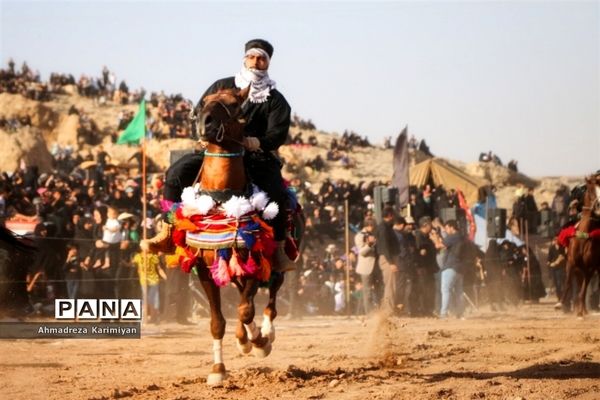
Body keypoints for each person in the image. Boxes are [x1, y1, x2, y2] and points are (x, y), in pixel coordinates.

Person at [142, 39, 293, 272]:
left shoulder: (276, 99)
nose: (256, 61)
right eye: (252, 57)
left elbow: (278, 133)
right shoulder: (221, 85)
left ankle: (280, 248)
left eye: (261, 58)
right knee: (174, 174)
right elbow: (199, 114)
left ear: (268, 62)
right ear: (245, 59)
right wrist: (200, 135)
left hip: (255, 156)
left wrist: (257, 142)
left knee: (276, 192)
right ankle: (167, 232)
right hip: (215, 152)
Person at [375, 206, 400, 315]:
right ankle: (388, 310)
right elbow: (385, 247)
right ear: (390, 215)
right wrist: (391, 263)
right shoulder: (383, 228)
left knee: (391, 285)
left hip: (389, 257)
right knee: (390, 285)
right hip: (387, 259)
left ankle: (388, 309)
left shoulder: (386, 227)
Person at [438, 220, 465, 319]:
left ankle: (443, 313)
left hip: (450, 266)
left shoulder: (453, 237)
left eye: (447, 228)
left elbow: (439, 245)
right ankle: (460, 313)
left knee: (445, 290)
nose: (446, 230)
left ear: (451, 227)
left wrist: (434, 238)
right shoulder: (461, 236)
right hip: (460, 268)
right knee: (459, 292)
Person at [354, 217, 377, 314]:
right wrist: (370, 244)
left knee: (369, 292)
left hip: (375, 266)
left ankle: (362, 311)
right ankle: (368, 313)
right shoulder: (359, 236)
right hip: (365, 267)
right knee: (367, 291)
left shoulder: (374, 234)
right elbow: (361, 252)